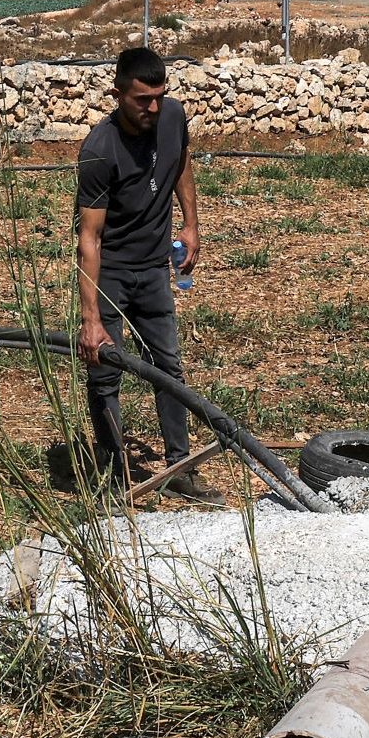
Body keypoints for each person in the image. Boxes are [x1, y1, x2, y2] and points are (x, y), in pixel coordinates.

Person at [76, 46, 220, 504]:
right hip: (112, 274)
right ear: (117, 93)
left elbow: (180, 164)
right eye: (142, 100)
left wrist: (191, 225)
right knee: (105, 374)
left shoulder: (173, 117)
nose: (152, 108)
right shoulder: (100, 151)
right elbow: (89, 240)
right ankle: (115, 481)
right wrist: (91, 318)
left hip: (156, 270)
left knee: (169, 370)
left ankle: (179, 469)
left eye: (158, 96)